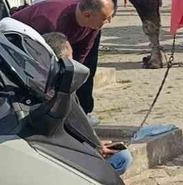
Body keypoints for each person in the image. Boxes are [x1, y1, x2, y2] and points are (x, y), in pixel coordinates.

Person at [12, 0, 114, 119]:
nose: (108, 21)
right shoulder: (51, 21)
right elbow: (43, 61)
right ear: (87, 15)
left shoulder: (93, 22)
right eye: (105, 18)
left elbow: (82, 54)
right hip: (18, 47)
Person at [42, 31, 132, 176]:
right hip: (62, 154)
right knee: (123, 157)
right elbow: (74, 124)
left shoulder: (43, 81)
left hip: (62, 147)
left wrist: (95, 142)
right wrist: (95, 147)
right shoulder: (60, 91)